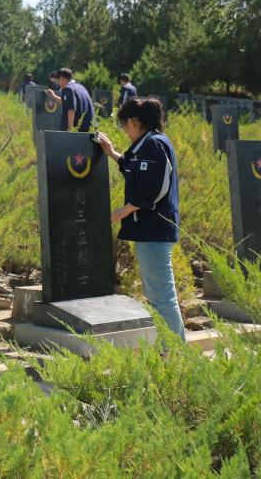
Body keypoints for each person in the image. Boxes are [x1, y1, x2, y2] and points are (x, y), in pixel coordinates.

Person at [94, 98, 186, 341]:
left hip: (154, 230)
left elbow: (155, 189)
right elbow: (134, 170)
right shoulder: (147, 145)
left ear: (133, 122)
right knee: (158, 296)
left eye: (124, 124)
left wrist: (124, 211)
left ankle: (176, 356)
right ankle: (169, 352)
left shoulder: (154, 145)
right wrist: (112, 152)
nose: (124, 130)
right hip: (149, 231)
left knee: (162, 298)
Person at [46, 67, 94, 131]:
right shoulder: (81, 87)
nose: (58, 84)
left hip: (77, 130)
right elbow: (68, 103)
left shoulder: (68, 89)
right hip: (88, 128)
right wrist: (54, 96)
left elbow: (71, 109)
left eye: (58, 81)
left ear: (63, 78)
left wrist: (69, 129)